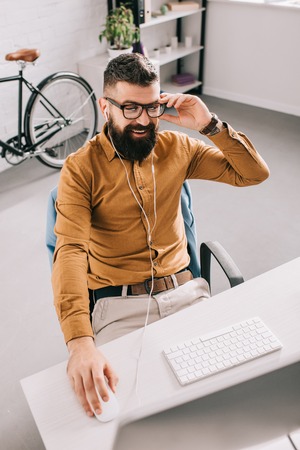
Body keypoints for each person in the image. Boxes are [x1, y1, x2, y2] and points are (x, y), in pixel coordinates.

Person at [52, 53, 269, 418]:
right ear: (105, 107)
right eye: (130, 108)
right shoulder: (80, 169)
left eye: (151, 108)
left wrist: (209, 124)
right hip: (120, 309)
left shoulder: (177, 148)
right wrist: (79, 343)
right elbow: (71, 251)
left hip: (187, 294)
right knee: (120, 415)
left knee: (233, 396)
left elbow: (252, 173)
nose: (142, 120)